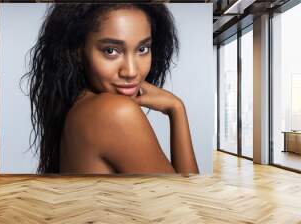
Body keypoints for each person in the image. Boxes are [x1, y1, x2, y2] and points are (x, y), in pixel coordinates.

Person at [24, 3, 199, 174]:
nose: (131, 71)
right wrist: (177, 109)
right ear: (78, 51)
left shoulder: (78, 107)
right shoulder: (115, 112)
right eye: (110, 51)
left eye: (143, 49)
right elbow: (188, 199)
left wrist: (175, 106)